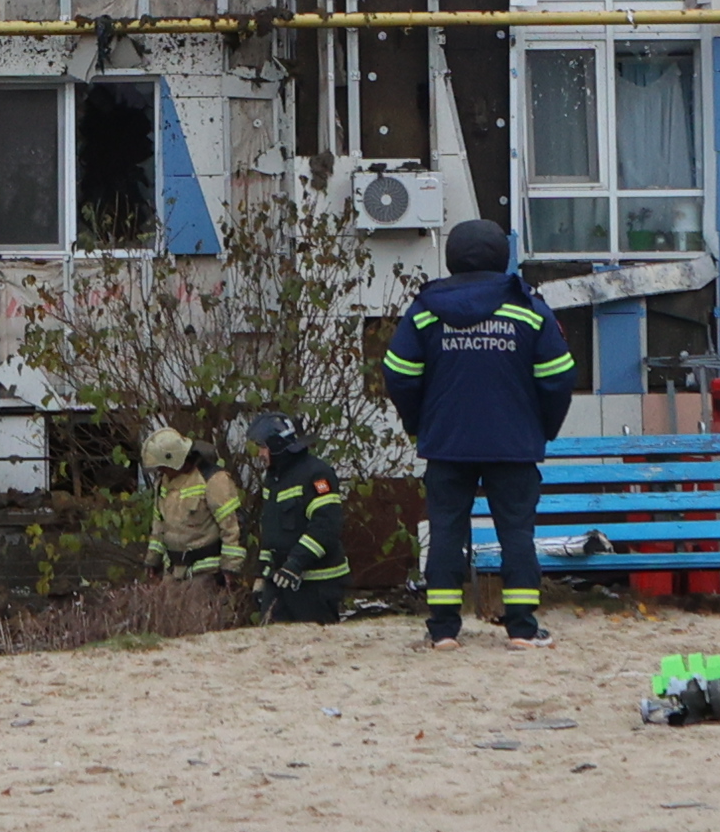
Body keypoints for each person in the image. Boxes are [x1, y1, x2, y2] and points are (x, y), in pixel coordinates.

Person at [380, 218, 579, 643]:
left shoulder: (425, 310)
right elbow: (559, 374)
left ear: (451, 258)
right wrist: (543, 426)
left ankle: (443, 631)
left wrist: (419, 422)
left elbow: (398, 372)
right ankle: (522, 629)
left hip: (447, 443)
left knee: (447, 531)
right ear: (502, 256)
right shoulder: (527, 308)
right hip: (514, 443)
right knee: (516, 534)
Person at [244, 416, 350, 622]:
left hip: (316, 585)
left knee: (316, 647)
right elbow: (271, 529)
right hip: (281, 581)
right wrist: (263, 572)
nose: (260, 454)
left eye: (262, 447)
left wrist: (295, 564)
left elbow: (326, 526)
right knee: (272, 645)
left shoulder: (316, 473)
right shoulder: (274, 477)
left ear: (276, 445)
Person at [141, 421, 242, 576]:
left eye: (162, 467)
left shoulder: (213, 480)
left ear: (174, 460)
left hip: (206, 573)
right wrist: (152, 561)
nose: (160, 471)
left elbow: (232, 529)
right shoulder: (163, 483)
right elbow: (158, 528)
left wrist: (230, 569)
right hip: (173, 573)